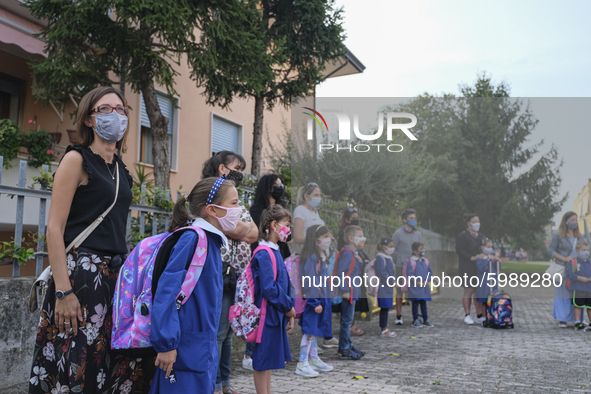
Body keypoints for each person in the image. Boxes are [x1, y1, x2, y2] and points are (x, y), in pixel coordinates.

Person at [28, 87, 156, 394]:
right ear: (88, 119)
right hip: (80, 278)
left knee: (110, 366)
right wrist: (62, 291)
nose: (116, 115)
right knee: (78, 362)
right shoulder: (76, 159)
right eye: (105, 109)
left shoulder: (121, 170)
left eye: (121, 109)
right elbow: (54, 229)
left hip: (114, 281)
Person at [149, 176, 237, 393]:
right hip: (182, 353)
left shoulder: (211, 241)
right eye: (234, 203)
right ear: (212, 210)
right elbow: (166, 292)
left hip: (199, 351)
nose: (239, 209)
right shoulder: (193, 239)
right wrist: (167, 344)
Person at [202, 152, 258, 392]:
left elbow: (253, 233)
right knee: (217, 333)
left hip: (233, 277)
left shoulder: (236, 199)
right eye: (238, 168)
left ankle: (224, 382)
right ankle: (212, 383)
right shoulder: (206, 195)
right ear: (223, 169)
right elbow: (236, 228)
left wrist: (238, 226)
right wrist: (239, 227)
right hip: (215, 273)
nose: (241, 173)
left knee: (225, 334)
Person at [251, 205, 296, 394]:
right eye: (287, 224)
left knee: (268, 359)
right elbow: (270, 289)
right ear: (274, 225)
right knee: (262, 360)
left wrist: (289, 311)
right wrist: (288, 308)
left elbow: (285, 284)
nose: (290, 229)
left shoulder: (275, 250)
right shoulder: (263, 252)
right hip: (265, 316)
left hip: (274, 314)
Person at [295, 225, 335, 377]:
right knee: (309, 332)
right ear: (315, 239)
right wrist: (314, 302)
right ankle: (302, 363)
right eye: (325, 236)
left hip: (321, 301)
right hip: (314, 302)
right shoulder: (312, 257)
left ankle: (314, 359)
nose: (329, 238)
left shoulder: (319, 256)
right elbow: (309, 282)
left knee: (315, 331)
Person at [336, 225, 366, 360]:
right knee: (346, 322)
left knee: (348, 321)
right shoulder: (347, 253)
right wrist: (345, 290)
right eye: (360, 236)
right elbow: (341, 273)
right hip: (349, 292)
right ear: (351, 238)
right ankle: (344, 349)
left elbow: (354, 271)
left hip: (353, 291)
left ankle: (348, 344)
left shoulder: (353, 253)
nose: (363, 239)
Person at [549, 211, 583, 328]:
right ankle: (562, 319)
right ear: (566, 221)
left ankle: (577, 319)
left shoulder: (580, 237)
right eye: (572, 220)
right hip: (562, 269)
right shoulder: (558, 235)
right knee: (562, 293)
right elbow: (551, 251)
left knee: (576, 293)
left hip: (577, 269)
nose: (574, 222)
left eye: (575, 220)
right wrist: (564, 258)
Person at [391, 208, 422, 325]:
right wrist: (399, 261)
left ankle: (415, 316)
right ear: (404, 220)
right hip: (401, 267)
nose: (414, 221)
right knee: (400, 291)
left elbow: (419, 249)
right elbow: (393, 250)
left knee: (414, 292)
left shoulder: (417, 234)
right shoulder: (398, 233)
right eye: (411, 219)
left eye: (414, 218)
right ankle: (398, 316)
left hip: (414, 268)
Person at [250, 174, 290, 259]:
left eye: (281, 185)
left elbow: (288, 236)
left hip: (280, 253)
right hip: (265, 254)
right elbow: (260, 234)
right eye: (276, 185)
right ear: (267, 187)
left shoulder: (281, 208)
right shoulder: (256, 210)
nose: (279, 188)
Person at [455, 213, 485, 325]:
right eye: (475, 222)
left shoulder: (481, 237)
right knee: (469, 290)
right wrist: (471, 257)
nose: (478, 224)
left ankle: (479, 315)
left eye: (479, 222)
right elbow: (459, 250)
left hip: (479, 269)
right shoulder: (462, 236)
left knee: (478, 292)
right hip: (467, 267)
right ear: (469, 224)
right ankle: (467, 315)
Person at [404, 243, 434, 328]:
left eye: (423, 248)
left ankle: (426, 319)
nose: (423, 250)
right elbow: (409, 274)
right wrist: (416, 281)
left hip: (424, 286)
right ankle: (415, 319)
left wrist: (428, 280)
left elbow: (430, 272)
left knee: (423, 303)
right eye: (421, 249)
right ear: (415, 251)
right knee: (415, 303)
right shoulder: (411, 262)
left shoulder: (426, 261)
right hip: (415, 287)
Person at [565, 241, 591, 331]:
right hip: (578, 288)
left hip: (589, 289)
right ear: (577, 251)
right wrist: (579, 278)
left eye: (588, 250)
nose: (586, 252)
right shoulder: (573, 262)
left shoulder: (590, 262)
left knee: (590, 307)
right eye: (584, 250)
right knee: (578, 305)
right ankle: (577, 322)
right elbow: (569, 274)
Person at [375, 238, 397, 338]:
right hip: (383, 287)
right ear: (384, 247)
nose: (392, 249)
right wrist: (392, 282)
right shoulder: (380, 258)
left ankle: (385, 328)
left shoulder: (388, 258)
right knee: (384, 308)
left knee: (386, 307)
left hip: (388, 287)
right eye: (391, 246)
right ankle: (384, 329)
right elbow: (382, 274)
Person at [475, 238, 500, 318]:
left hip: (492, 282)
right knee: (484, 301)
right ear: (482, 247)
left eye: (491, 247)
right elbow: (482, 269)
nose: (490, 249)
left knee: (492, 300)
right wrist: (488, 261)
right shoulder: (479, 258)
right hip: (484, 283)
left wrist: (496, 261)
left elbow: (498, 269)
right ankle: (484, 317)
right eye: (488, 246)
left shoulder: (492, 257)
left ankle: (492, 316)